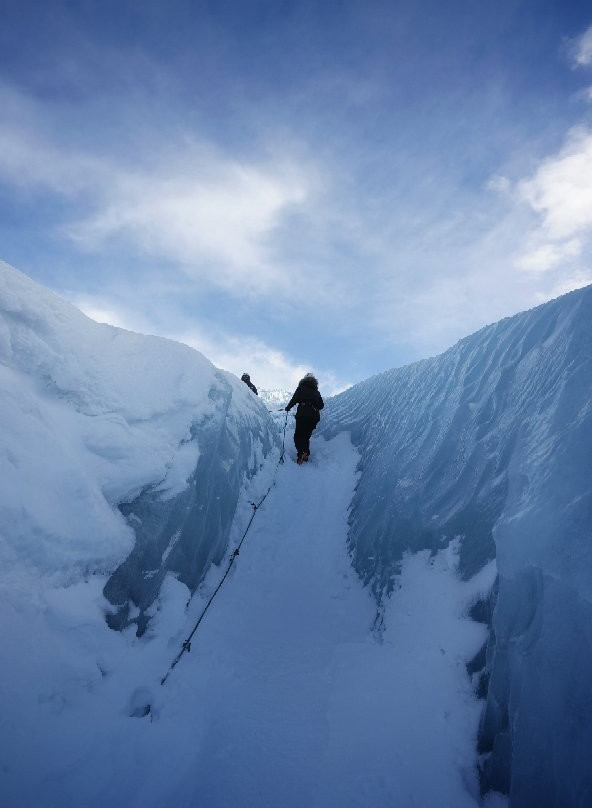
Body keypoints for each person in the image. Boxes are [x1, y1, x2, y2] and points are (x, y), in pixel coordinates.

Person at [285, 373, 324, 464]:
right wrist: (313, 405)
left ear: (304, 379)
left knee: (298, 436)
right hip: (314, 417)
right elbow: (321, 405)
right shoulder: (316, 392)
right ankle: (305, 453)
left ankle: (300, 454)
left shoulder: (301, 388)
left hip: (303, 415)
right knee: (306, 436)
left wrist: (288, 408)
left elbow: (294, 399)